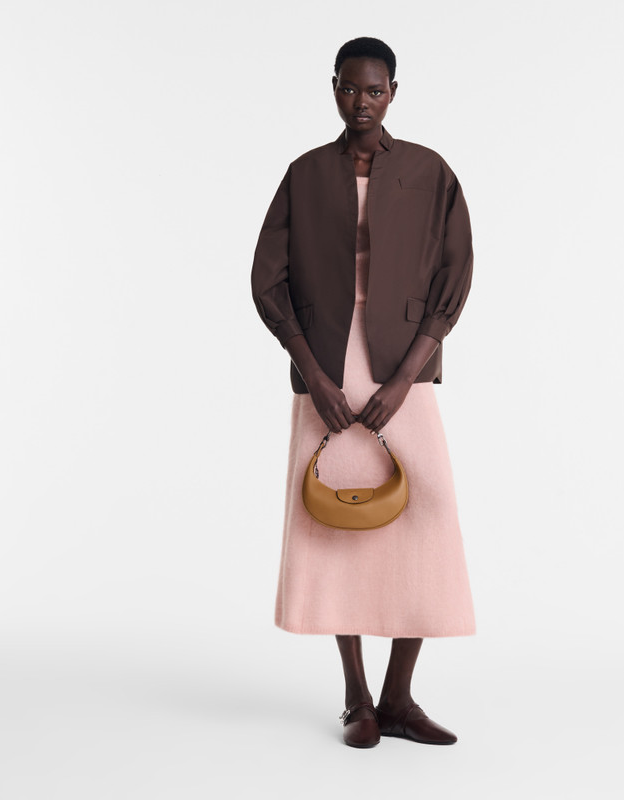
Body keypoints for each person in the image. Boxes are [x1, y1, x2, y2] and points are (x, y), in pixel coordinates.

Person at [251, 36, 476, 748]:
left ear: (393, 93)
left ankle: (399, 697)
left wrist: (407, 377)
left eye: (374, 90)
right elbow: (266, 279)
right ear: (334, 88)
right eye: (349, 88)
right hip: (326, 365)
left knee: (427, 514)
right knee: (334, 520)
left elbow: (454, 277)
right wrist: (313, 376)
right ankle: (357, 698)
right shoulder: (305, 174)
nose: (361, 102)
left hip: (404, 365)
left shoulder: (430, 172)